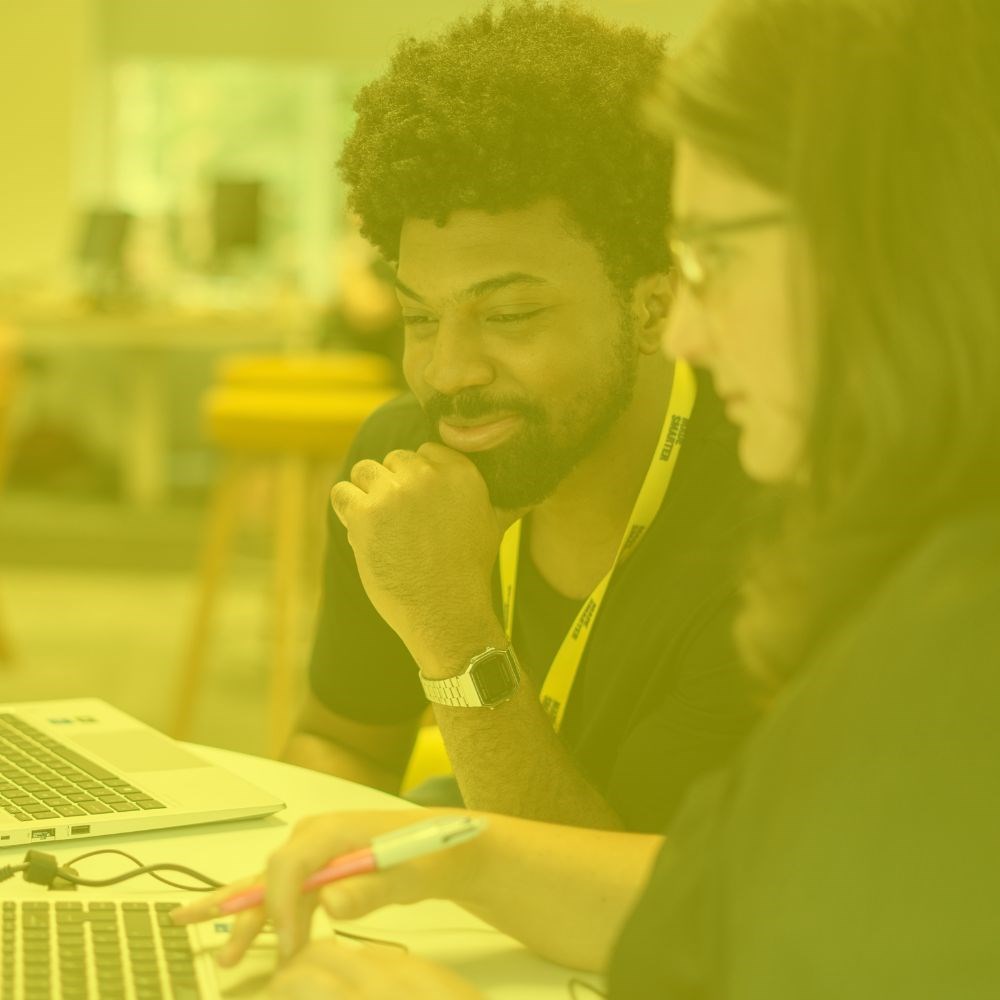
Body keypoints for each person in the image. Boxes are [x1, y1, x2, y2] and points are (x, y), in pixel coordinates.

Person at [176, 0, 1000, 995]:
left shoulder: (883, 579)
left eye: (715, 260)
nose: (689, 327)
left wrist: (452, 637)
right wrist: (449, 851)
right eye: (416, 314)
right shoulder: (906, 563)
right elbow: (722, 901)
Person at [284, 2, 760, 833]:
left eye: (508, 317)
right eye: (421, 318)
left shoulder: (767, 524)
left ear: (654, 307)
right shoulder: (402, 461)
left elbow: (645, 918)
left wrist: (450, 628)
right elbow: (345, 746)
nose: (448, 374)